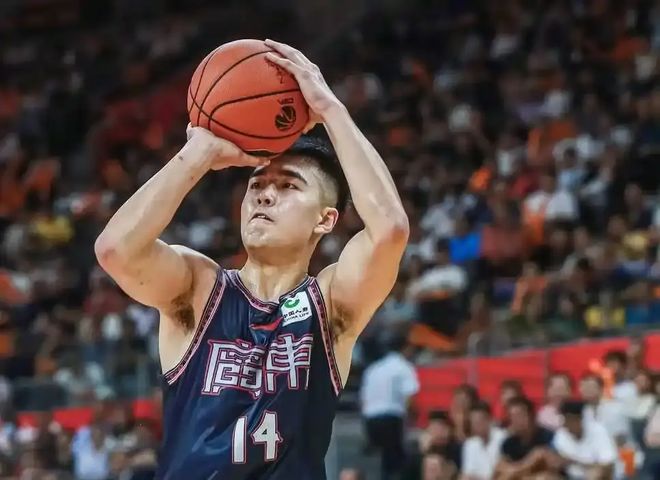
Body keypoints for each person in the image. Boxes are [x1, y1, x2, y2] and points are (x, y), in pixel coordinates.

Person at [95, 39, 409, 479]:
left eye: (288, 186)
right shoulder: (201, 288)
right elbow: (116, 250)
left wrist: (331, 110)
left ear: (325, 219)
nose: (264, 194)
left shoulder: (330, 305)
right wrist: (198, 153)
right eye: (257, 184)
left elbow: (390, 230)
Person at [360, 335, 419, 479]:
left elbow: (364, 399)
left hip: (371, 420)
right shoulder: (403, 367)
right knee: (395, 463)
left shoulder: (373, 368)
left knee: (378, 461)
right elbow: (409, 396)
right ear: (406, 348)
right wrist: (411, 418)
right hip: (391, 418)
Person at [552, 400, 617, 479]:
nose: (567, 424)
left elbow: (608, 465)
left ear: (580, 419)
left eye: (571, 420)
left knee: (595, 474)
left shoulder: (599, 431)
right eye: (566, 420)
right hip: (570, 477)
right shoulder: (561, 434)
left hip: (598, 477)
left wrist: (576, 462)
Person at [460, 401, 506, 480]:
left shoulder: (503, 438)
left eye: (479, 421)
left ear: (489, 420)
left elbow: (503, 471)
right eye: (473, 422)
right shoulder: (469, 444)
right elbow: (467, 474)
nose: (476, 426)